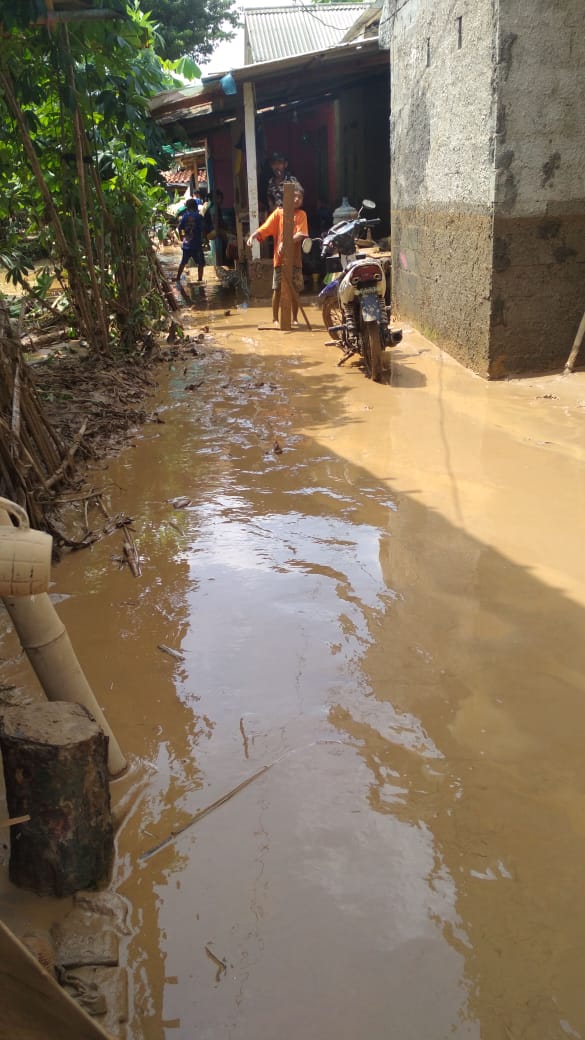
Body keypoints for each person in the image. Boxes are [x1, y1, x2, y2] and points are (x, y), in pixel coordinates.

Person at [247, 181, 308, 327]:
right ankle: (275, 318)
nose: (297, 200)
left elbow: (301, 234)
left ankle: (294, 318)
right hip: (279, 260)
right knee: (277, 289)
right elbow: (266, 228)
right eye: (294, 197)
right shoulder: (278, 213)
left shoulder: (301, 215)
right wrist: (253, 235)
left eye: (300, 197)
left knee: (295, 290)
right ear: (286, 198)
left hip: (295, 260)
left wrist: (286, 242)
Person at [176, 198, 205, 283]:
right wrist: (205, 239)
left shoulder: (184, 216)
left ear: (187, 207)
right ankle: (200, 279)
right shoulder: (199, 216)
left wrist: (181, 237)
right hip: (196, 244)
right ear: (195, 206)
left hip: (187, 244)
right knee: (200, 263)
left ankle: (178, 277)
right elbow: (203, 229)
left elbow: (179, 228)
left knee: (183, 262)